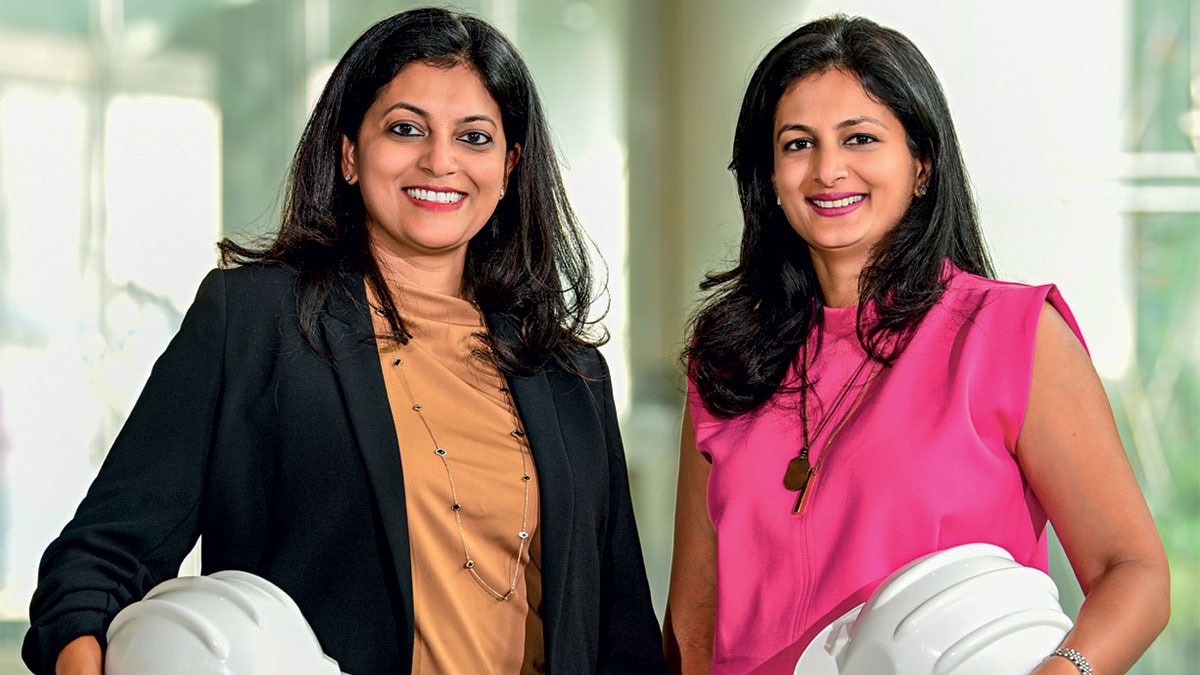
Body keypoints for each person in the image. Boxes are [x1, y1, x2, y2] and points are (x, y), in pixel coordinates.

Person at [24, 8, 666, 674]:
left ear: (508, 168)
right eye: (405, 129)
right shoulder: (255, 322)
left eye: (474, 137)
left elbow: (622, 639)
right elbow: (97, 566)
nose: (440, 160)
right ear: (350, 153)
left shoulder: (570, 374)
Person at [664, 14, 1169, 675]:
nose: (828, 169)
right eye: (798, 144)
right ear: (769, 174)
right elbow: (691, 625)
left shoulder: (1010, 334)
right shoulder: (726, 355)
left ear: (921, 164)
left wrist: (1061, 670)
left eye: (860, 138)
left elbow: (1133, 572)